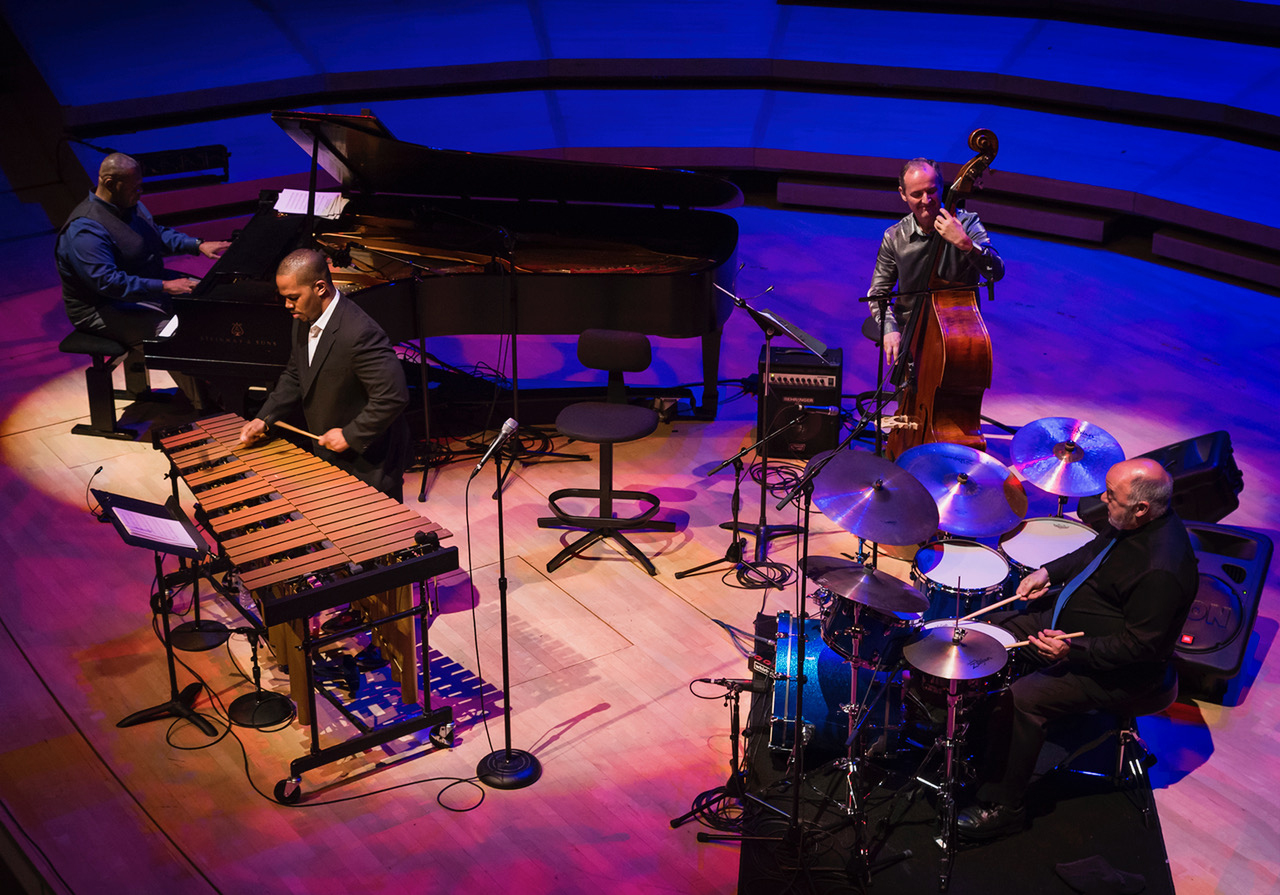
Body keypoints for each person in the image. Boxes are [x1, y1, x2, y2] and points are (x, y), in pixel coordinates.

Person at [956, 457, 1198, 840]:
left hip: (1119, 671)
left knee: (1025, 699)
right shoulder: (1130, 522)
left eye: (1111, 495)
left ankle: (1005, 806)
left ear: (1141, 508)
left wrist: (1073, 651)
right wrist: (1047, 572)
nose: (1102, 499)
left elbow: (1142, 647)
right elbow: (1093, 552)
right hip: (1068, 631)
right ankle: (981, 736)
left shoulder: (1162, 569)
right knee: (987, 634)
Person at [238, 248, 411, 500]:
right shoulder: (303, 317)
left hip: (368, 461)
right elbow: (295, 374)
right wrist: (264, 418)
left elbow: (393, 396)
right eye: (284, 297)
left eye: (293, 297)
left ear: (320, 288)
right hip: (328, 454)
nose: (287, 305)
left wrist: (350, 435)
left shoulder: (359, 333)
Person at [56, 152, 230, 350]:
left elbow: (154, 234)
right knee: (177, 336)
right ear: (110, 184)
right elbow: (108, 283)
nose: (140, 192)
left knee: (209, 297)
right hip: (102, 305)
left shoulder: (127, 204)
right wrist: (164, 286)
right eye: (134, 187)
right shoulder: (85, 231)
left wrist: (197, 245)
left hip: (146, 283)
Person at [867, 158, 1005, 368]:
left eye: (931, 191)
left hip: (958, 335)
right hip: (910, 334)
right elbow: (878, 292)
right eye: (916, 194)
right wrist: (889, 329)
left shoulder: (966, 224)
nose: (926, 200)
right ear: (903, 194)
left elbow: (996, 272)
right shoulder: (894, 237)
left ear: (941, 187)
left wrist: (965, 243)